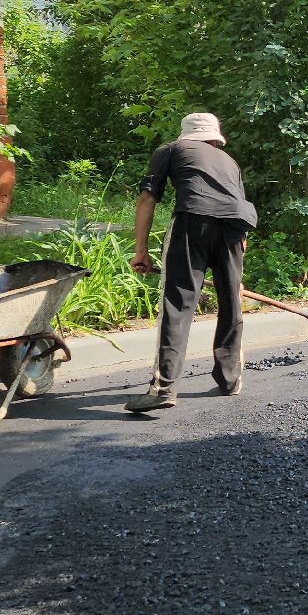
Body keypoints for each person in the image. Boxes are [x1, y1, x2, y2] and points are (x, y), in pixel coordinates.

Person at [125, 112, 259, 412]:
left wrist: (141, 251)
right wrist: (237, 266)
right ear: (215, 137)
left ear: (186, 135)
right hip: (236, 228)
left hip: (193, 221)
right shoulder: (230, 161)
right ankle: (230, 380)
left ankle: (163, 387)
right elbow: (237, 205)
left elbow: (147, 199)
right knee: (231, 301)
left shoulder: (171, 150)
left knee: (178, 304)